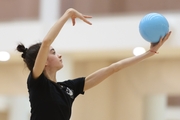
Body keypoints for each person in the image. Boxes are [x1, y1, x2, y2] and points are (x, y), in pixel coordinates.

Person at [16, 8, 171, 120]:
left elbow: (113, 69)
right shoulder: (37, 83)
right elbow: (46, 42)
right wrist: (67, 14)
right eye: (53, 52)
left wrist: (148, 54)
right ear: (43, 63)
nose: (59, 54)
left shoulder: (68, 89)